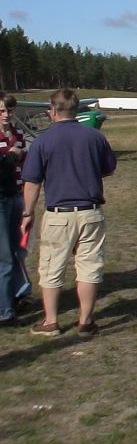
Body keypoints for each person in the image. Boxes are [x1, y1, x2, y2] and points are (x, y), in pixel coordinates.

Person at [21, 89, 116, 337]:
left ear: (52, 111)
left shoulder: (43, 140)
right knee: (89, 267)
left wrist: (27, 212)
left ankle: (51, 321)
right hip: (91, 212)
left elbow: (32, 181)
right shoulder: (95, 137)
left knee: (52, 267)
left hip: (59, 214)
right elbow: (108, 169)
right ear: (76, 110)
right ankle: (85, 321)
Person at [0, 92, 28, 326]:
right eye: (1, 111)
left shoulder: (18, 134)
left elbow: (23, 163)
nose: (6, 115)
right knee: (5, 256)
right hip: (1, 198)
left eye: (9, 111)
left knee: (19, 249)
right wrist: (9, 157)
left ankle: (18, 294)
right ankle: (5, 309)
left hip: (17, 195)